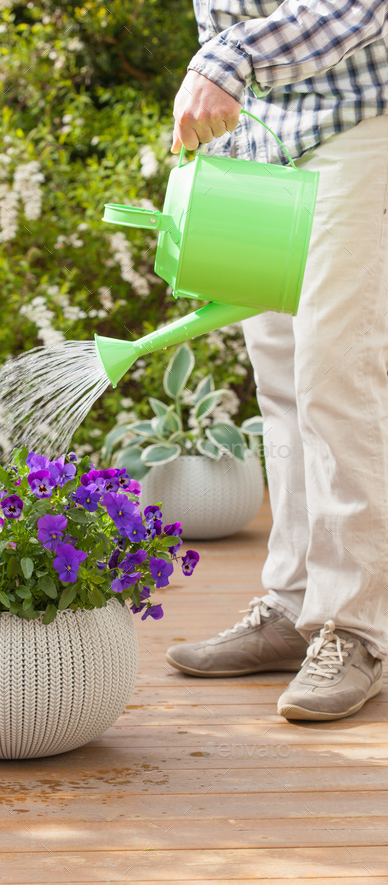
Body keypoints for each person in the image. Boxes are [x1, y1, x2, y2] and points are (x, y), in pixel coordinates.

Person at [166, 0, 388, 721]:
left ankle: (358, 626)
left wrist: (227, 63)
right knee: (281, 374)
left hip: (353, 119)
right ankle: (293, 605)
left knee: (337, 371)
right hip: (256, 135)